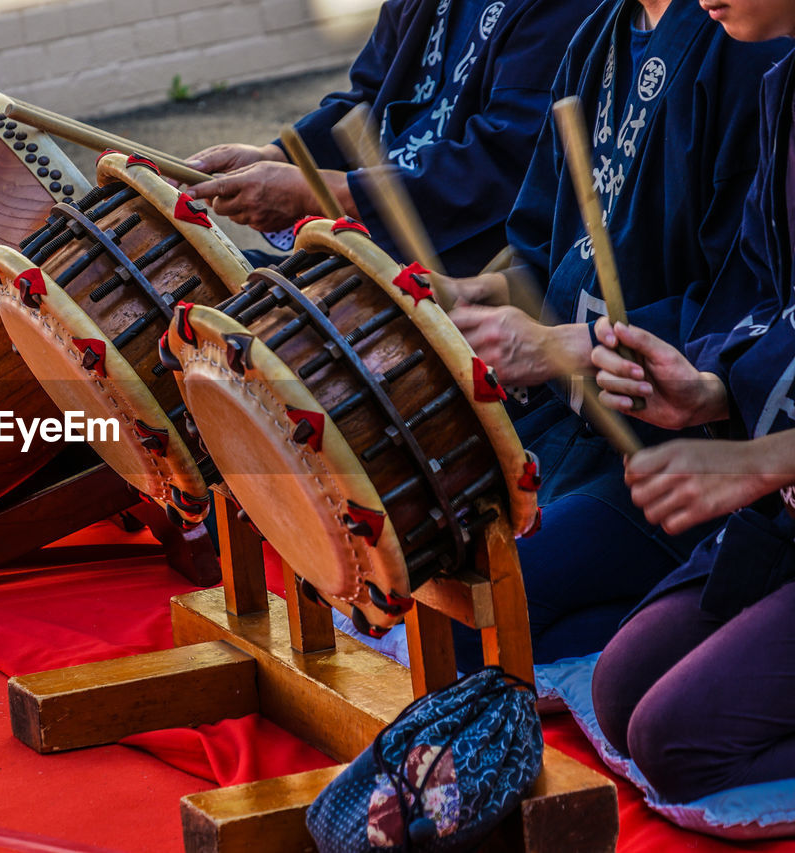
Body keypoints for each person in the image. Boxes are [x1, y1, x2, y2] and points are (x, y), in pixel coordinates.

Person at [439, 0, 788, 671]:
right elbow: (539, 249)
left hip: (674, 448)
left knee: (480, 616)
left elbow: (748, 309)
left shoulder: (750, 43)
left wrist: (558, 345)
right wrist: (486, 293)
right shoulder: (598, 35)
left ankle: (688, 626)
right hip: (570, 416)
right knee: (431, 565)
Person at [584, 0, 795, 802]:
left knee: (676, 742)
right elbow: (769, 300)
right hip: (782, 502)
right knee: (618, 692)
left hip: (777, 474)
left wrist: (758, 459)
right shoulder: (786, 80)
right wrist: (702, 393)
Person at [183, 0, 600, 275]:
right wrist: (276, 156)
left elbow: (501, 167)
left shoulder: (561, 10)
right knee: (193, 279)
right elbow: (367, 95)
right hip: (369, 245)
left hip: (452, 272)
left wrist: (316, 193)